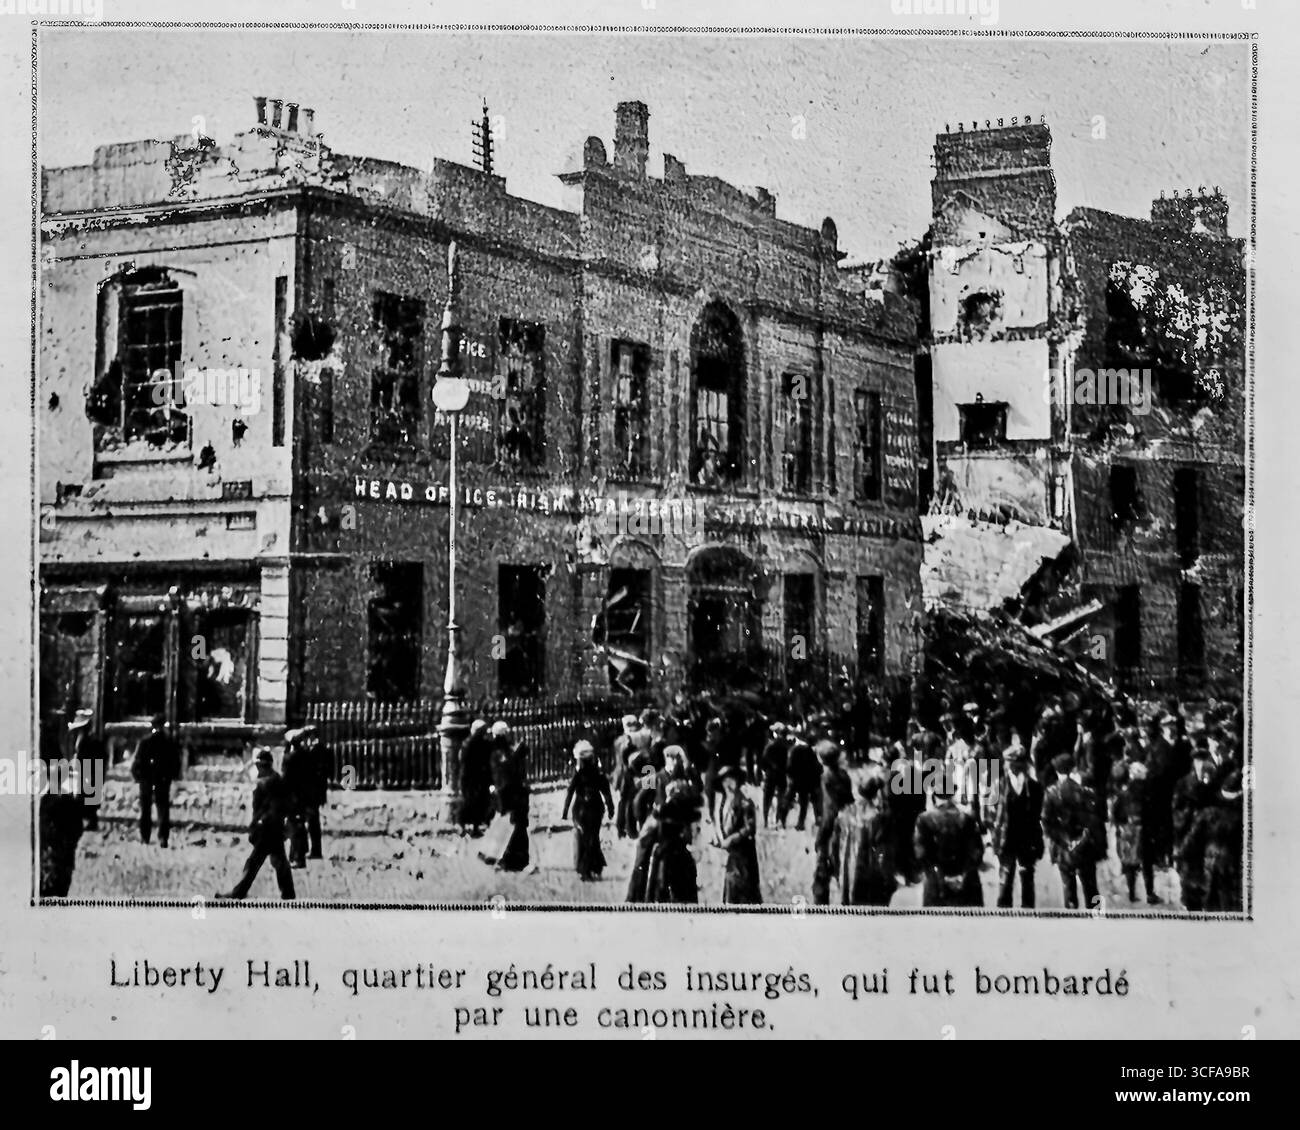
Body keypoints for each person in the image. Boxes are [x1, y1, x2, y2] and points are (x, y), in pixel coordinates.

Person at [216, 748, 295, 901]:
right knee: (277, 862)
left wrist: (257, 825)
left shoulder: (266, 784)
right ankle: (288, 893)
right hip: (274, 828)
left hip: (267, 829)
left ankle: (239, 892)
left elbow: (266, 809)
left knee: (255, 863)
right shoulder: (276, 780)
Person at [1041, 754, 1105, 911]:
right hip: (1084, 844)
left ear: (1057, 771)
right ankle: (1098, 916)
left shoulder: (1052, 792)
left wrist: (1062, 841)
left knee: (1068, 884)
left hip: (1063, 845)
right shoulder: (1084, 791)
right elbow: (1093, 820)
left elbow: (1046, 822)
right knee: (1091, 884)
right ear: (1073, 768)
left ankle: (1070, 916)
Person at [913, 772, 985, 907]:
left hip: (936, 885)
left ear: (934, 795)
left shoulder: (924, 819)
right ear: (953, 794)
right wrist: (962, 874)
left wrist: (940, 875)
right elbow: (977, 851)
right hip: (966, 885)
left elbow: (920, 853)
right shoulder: (967, 818)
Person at [627, 781, 702, 904]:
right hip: (678, 858)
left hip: (665, 857)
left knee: (662, 892)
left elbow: (645, 840)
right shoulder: (687, 813)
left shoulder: (661, 812)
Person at [1180, 770, 1244, 913]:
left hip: (1209, 872)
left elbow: (1187, 847)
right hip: (1234, 877)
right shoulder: (1243, 819)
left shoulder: (1207, 815)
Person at [990, 745, 1044, 909]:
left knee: (1027, 876)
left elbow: (1038, 814)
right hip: (1006, 838)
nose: (1010, 766)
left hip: (1027, 838)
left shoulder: (1034, 787)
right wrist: (995, 832)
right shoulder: (998, 785)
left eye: (1014, 763)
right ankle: (1003, 915)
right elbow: (989, 812)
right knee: (1005, 878)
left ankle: (1028, 914)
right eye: (1009, 763)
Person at [837, 770, 897, 906]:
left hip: (849, 865)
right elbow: (885, 849)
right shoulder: (879, 817)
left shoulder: (846, 812)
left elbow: (836, 843)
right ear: (876, 793)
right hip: (870, 867)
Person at [481, 721, 533, 873]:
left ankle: (499, 857)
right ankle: (512, 861)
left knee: (507, 825)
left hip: (503, 793)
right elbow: (510, 771)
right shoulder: (503, 752)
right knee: (516, 827)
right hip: (510, 793)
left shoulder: (496, 751)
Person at [1172, 745, 1219, 911]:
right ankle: (1189, 901)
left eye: (1203, 760)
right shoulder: (1183, 783)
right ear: (1193, 762)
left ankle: (1201, 900)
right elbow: (1176, 808)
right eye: (1197, 760)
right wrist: (1188, 814)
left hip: (1205, 835)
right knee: (1187, 869)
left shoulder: (1213, 782)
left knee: (1203, 873)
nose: (1200, 764)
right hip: (1188, 832)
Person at [561, 740, 615, 882]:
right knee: (593, 838)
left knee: (585, 839)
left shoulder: (578, 775)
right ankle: (594, 867)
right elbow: (607, 793)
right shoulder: (599, 774)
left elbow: (570, 792)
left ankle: (585, 869)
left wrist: (565, 811)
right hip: (595, 809)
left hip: (581, 810)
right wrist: (611, 809)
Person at [1111, 756, 1159, 905]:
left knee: (1130, 865)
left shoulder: (1123, 793)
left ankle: (1132, 893)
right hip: (1144, 831)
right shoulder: (1149, 792)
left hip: (1127, 833)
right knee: (1147, 865)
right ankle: (1150, 894)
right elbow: (1153, 814)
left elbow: (1114, 815)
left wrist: (1121, 828)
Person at [812, 741, 854, 905]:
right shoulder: (844, 775)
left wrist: (820, 837)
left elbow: (830, 811)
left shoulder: (826, 778)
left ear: (821, 759)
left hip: (831, 828)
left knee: (821, 873)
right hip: (844, 824)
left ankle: (820, 907)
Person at [131, 714, 180, 847]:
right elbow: (175, 763)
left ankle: (145, 836)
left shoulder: (145, 742)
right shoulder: (168, 742)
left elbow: (136, 763)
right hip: (161, 779)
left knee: (147, 809)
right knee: (161, 808)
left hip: (148, 779)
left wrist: (138, 777)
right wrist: (171, 777)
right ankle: (162, 837)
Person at [714, 765, 761, 904]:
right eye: (725, 781)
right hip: (732, 855)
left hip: (744, 854)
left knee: (745, 890)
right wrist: (720, 838)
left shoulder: (745, 802)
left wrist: (732, 839)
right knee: (731, 889)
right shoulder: (722, 803)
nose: (728, 784)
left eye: (731, 780)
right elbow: (720, 824)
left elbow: (749, 828)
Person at [282, 726, 328, 868]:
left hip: (294, 796)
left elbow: (286, 780)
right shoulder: (306, 755)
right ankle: (302, 853)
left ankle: (297, 856)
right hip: (306, 795)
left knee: (295, 826)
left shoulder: (290, 758)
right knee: (303, 824)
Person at [39, 759, 85, 898]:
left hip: (49, 856)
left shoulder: (45, 801)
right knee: (61, 890)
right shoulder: (69, 800)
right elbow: (79, 828)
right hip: (63, 856)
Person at [68, 710, 102, 831]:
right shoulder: (83, 739)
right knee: (85, 797)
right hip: (86, 771)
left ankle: (90, 821)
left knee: (87, 797)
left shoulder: (89, 741)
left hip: (89, 772)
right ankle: (89, 820)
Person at [781, 726, 821, 831]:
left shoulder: (795, 749)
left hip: (795, 780)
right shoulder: (810, 752)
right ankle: (800, 823)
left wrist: (790, 777)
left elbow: (789, 766)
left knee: (788, 800)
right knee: (803, 804)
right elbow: (816, 768)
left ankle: (782, 821)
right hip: (805, 782)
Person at [459, 718, 493, 832]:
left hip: (468, 776)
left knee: (470, 801)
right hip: (476, 777)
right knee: (477, 801)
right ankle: (474, 825)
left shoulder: (466, 743)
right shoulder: (479, 743)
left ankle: (465, 825)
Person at [759, 722, 789, 828]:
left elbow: (763, 760)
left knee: (767, 798)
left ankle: (766, 820)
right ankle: (778, 820)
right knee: (781, 798)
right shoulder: (787, 746)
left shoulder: (770, 745)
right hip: (783, 774)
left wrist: (765, 770)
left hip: (771, 774)